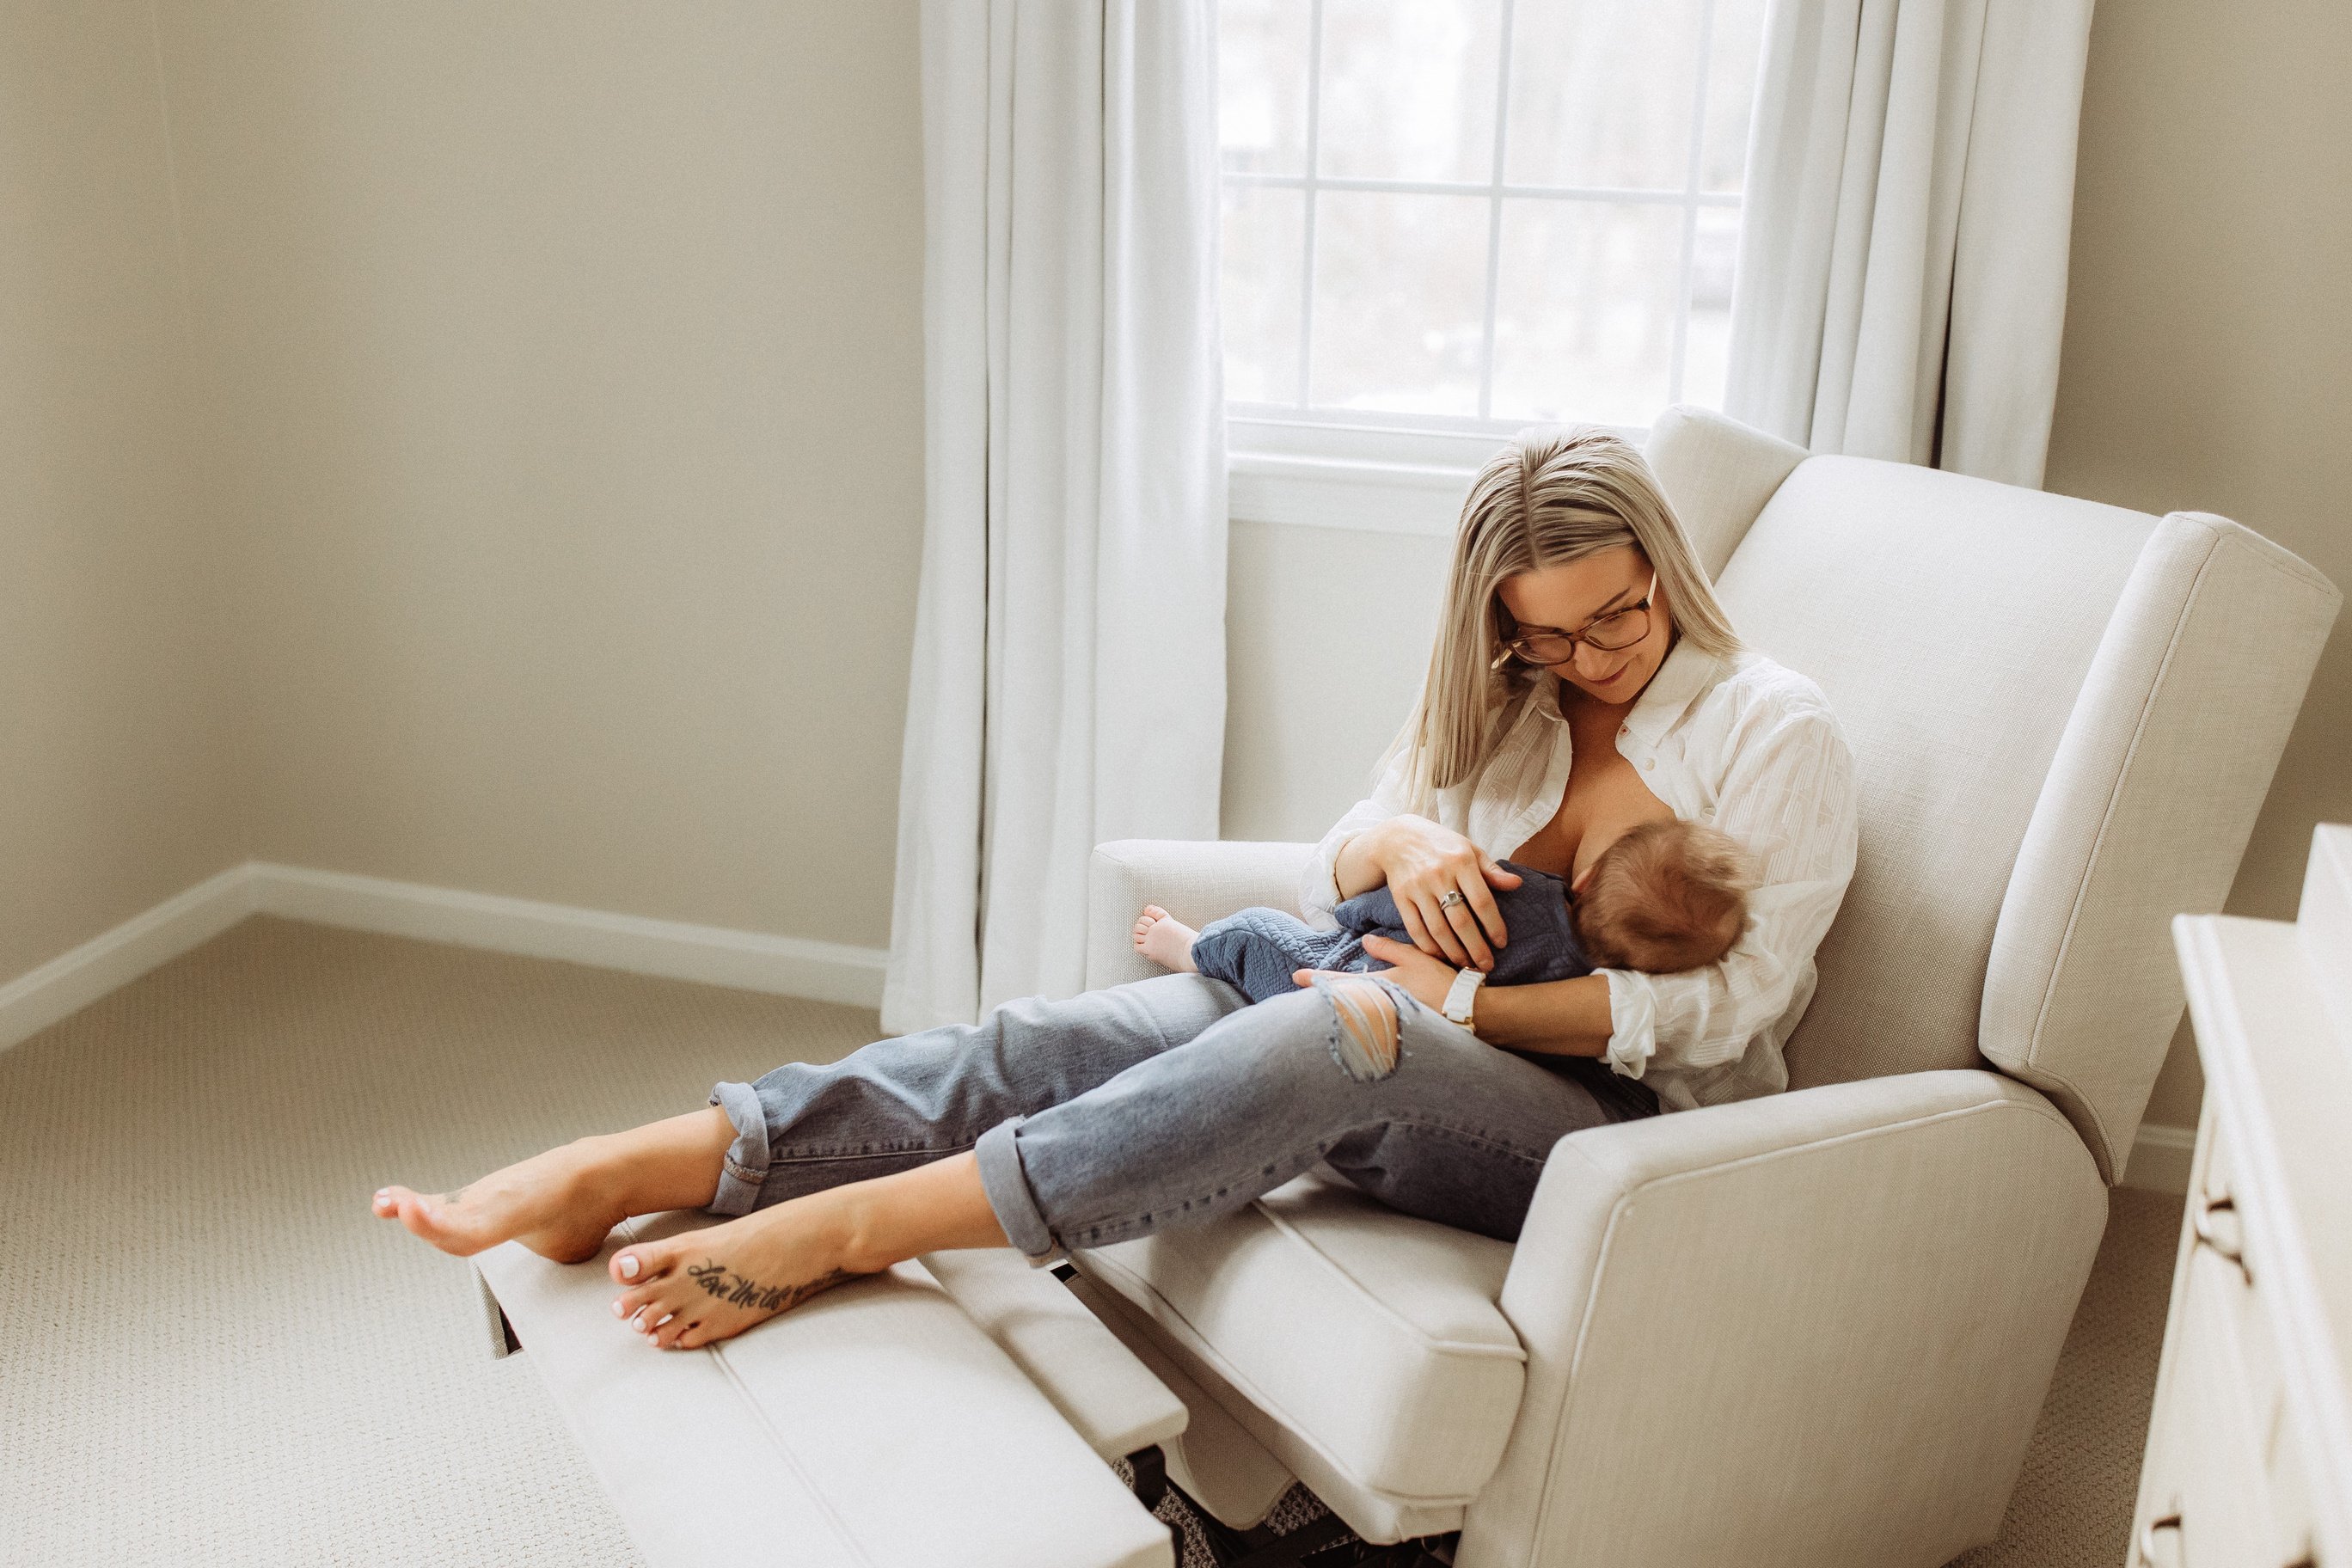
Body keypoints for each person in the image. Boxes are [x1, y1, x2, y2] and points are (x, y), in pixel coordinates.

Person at [371, 427, 1860, 1354]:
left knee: (1331, 1027)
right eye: (1553, 637)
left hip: (1597, 1125)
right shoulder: (1501, 704)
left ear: (1665, 566)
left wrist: (1461, 996)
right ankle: (638, 1162)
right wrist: (1395, 846)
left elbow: (1735, 1003)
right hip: (1395, 1016)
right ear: (1501, 627)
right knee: (1051, 1039)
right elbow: (1341, 846)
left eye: (1622, 612)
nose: (1599, 655)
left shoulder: (1769, 724)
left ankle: (842, 1227)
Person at [1134, 817, 1755, 1002]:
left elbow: (1390, 908)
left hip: (1340, 979)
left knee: (1258, 932)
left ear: (1586, 878)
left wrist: (1353, 920)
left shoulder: (1514, 887)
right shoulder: (1585, 988)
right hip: (1407, 1024)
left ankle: (1191, 950)